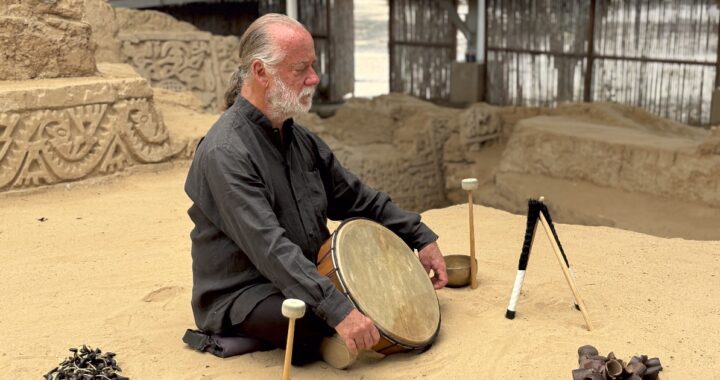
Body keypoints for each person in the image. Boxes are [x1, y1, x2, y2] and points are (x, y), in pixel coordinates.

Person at [184, 13, 448, 367]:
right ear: (261, 73)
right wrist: (339, 309)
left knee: (355, 284)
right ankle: (323, 338)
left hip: (303, 271)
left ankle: (326, 317)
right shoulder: (225, 152)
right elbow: (270, 248)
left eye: (313, 65)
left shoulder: (299, 138)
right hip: (245, 289)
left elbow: (356, 197)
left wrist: (419, 236)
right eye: (300, 69)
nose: (314, 78)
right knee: (307, 319)